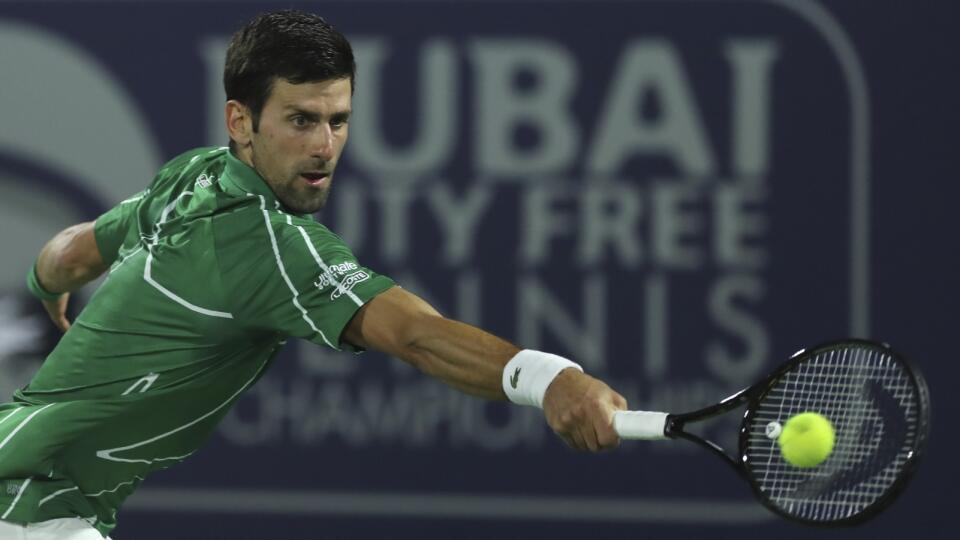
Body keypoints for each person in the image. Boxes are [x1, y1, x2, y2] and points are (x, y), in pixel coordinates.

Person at [0, 10, 628, 539]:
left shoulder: (192, 175)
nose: (324, 145)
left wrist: (45, 285)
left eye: (338, 120)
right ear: (240, 122)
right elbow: (414, 335)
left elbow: (76, 252)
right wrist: (551, 380)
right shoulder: (274, 247)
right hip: (36, 506)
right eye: (301, 120)